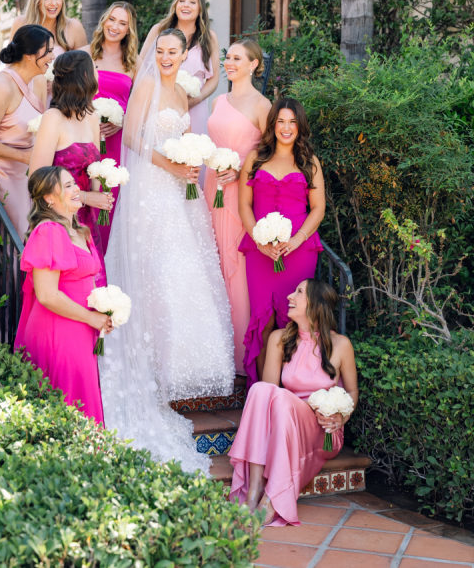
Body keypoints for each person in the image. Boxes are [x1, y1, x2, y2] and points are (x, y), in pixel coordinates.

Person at [100, 28, 235, 473]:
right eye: (160, 51)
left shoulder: (183, 92)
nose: (165, 57)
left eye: (173, 51)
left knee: (184, 272)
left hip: (181, 192)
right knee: (155, 270)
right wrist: (170, 165)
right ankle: (151, 364)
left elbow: (188, 135)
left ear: (183, 55)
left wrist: (190, 166)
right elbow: (132, 139)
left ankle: (179, 366)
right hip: (152, 188)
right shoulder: (146, 87)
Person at [229, 279, 358, 526]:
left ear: (316, 304)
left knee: (278, 398)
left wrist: (341, 417)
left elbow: (352, 392)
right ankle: (254, 490)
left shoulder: (341, 345)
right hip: (286, 422)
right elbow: (266, 397)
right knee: (261, 390)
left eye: (299, 292)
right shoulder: (279, 338)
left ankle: (271, 499)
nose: (290, 296)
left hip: (321, 430)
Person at [14, 166, 113, 424]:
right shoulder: (49, 231)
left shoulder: (80, 231)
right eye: (67, 186)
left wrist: (103, 312)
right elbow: (47, 295)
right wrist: (90, 318)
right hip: (58, 330)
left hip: (81, 329)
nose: (76, 189)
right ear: (49, 198)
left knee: (82, 403)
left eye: (74, 183)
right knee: (69, 405)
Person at [238, 98, 325, 388]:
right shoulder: (255, 158)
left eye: (292, 122)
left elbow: (318, 209)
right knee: (262, 321)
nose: (286, 128)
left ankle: (291, 390)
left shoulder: (309, 162)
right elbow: (244, 206)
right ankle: (264, 392)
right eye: (281, 122)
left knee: (293, 321)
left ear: (300, 127)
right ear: (273, 124)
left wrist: (298, 239)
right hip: (260, 252)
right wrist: (259, 241)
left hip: (299, 251)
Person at [204, 39, 271, 373]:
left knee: (234, 264)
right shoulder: (218, 101)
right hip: (211, 186)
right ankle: (212, 353)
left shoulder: (263, 105)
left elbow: (272, 153)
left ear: (253, 65)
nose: (229, 63)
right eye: (227, 57)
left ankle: (239, 358)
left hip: (238, 191)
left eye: (236, 58)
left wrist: (242, 168)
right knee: (210, 259)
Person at [29, 51, 113, 285]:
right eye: (95, 69)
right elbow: (37, 178)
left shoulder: (92, 117)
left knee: (93, 289)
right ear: (84, 76)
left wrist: (101, 190)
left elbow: (94, 169)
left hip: (86, 222)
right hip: (59, 220)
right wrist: (85, 197)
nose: (98, 74)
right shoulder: (53, 118)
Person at [0, 24, 52, 240]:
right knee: (18, 233)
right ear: (30, 55)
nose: (52, 56)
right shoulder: (2, 86)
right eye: (48, 51)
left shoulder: (39, 82)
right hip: (0, 172)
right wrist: (24, 156)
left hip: (28, 172)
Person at [81, 1, 138, 249]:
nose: (115, 27)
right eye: (112, 20)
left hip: (116, 144)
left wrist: (122, 121)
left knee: (110, 203)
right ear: (104, 20)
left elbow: (141, 105)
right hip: (85, 137)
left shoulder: (133, 63)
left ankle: (104, 260)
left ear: (128, 30)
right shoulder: (85, 54)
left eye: (122, 23)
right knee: (84, 197)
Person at [139, 0, 220, 136]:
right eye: (181, 0)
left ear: (200, 8)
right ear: (175, 5)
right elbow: (141, 66)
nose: (186, 5)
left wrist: (193, 101)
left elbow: (214, 79)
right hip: (161, 106)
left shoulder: (209, 37)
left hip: (195, 107)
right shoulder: (159, 30)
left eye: (192, 2)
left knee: (192, 147)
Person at [10, 0, 87, 105]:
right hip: (25, 100)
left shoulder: (74, 27)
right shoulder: (21, 24)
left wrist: (59, 83)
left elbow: (85, 72)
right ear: (36, 0)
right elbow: (11, 66)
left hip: (61, 103)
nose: (53, 3)